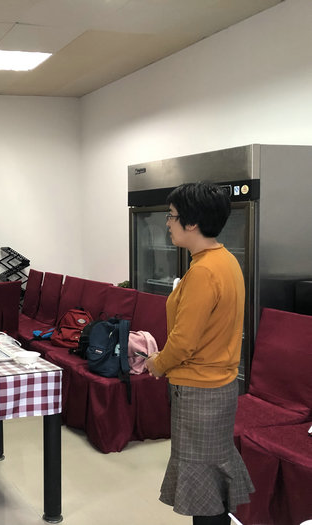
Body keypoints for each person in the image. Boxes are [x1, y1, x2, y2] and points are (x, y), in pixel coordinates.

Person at [145, 182, 254, 525]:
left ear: (192, 223)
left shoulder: (204, 272)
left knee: (202, 489)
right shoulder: (225, 260)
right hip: (220, 386)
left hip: (199, 391)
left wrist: (157, 364)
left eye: (172, 216)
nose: (167, 223)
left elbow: (183, 342)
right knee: (211, 481)